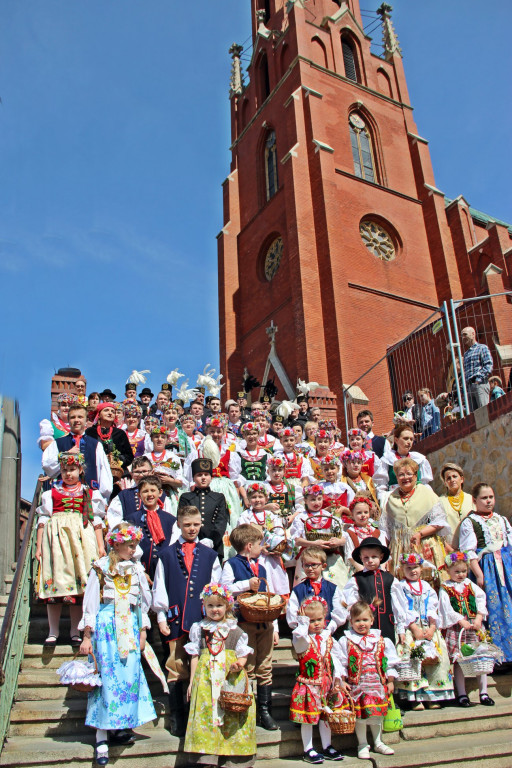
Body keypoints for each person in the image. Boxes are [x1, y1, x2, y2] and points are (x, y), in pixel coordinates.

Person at [79, 523, 156, 766]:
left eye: (135, 544)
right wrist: (87, 636)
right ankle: (101, 735)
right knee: (107, 680)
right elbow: (91, 600)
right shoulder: (101, 567)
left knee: (128, 677)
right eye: (130, 545)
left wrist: (143, 630)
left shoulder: (135, 567)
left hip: (129, 627)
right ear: (117, 544)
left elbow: (142, 602)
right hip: (106, 626)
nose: (134, 549)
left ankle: (122, 726)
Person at [152, 505, 222, 736]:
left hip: (202, 619)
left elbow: (217, 588)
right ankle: (177, 718)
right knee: (175, 666)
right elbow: (160, 587)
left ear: (201, 524)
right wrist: (161, 616)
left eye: (195, 524)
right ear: (179, 525)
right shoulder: (166, 554)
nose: (191, 529)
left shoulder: (211, 555)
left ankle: (198, 715)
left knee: (202, 666)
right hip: (175, 618)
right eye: (187, 525)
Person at [36, 451, 105, 647]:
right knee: (55, 583)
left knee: (79, 585)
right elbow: (43, 519)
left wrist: (100, 546)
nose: (68, 474)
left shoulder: (89, 493)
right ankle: (53, 632)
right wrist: (39, 546)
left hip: (82, 540)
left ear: (80, 470)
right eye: (65, 470)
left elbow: (96, 520)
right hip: (56, 541)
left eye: (72, 470)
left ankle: (76, 631)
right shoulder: (51, 494)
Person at [183, 582, 256, 767]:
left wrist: (239, 664)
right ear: (204, 606)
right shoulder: (199, 629)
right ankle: (206, 758)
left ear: (227, 606)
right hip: (205, 681)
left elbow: (243, 654)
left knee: (230, 715)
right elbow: (194, 657)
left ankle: (232, 757)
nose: (215, 610)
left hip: (228, 680)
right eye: (210, 605)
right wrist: (192, 682)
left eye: (219, 605)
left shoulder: (235, 630)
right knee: (206, 715)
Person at [221, 524, 278, 731]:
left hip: (264, 621)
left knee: (265, 667)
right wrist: (246, 585)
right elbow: (224, 589)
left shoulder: (261, 567)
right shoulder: (231, 564)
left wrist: (276, 625)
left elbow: (269, 595)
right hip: (243, 623)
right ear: (249, 545)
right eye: (259, 544)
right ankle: (249, 709)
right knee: (249, 667)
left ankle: (265, 711)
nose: (261, 548)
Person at [459, 483, 512, 662]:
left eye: (491, 497)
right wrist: (479, 574)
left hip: (506, 567)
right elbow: (468, 552)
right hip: (487, 569)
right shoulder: (470, 522)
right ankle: (498, 658)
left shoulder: (501, 519)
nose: (488, 501)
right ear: (474, 500)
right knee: (492, 609)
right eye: (484, 498)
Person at [290, 597, 345, 764]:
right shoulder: (303, 639)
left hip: (325, 685)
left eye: (319, 620)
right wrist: (302, 622)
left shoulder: (328, 638)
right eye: (312, 620)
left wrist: (338, 678)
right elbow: (299, 638)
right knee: (308, 718)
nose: (316, 624)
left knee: (325, 716)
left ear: (325, 618)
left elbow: (337, 658)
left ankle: (327, 746)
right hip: (308, 685)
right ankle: (308, 748)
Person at [395, 553, 453, 709]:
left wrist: (433, 627)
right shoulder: (401, 587)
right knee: (413, 660)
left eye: (415, 568)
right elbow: (401, 609)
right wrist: (414, 628)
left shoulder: (427, 587)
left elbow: (433, 608)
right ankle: (415, 697)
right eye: (409, 568)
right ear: (402, 570)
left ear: (421, 568)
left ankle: (431, 696)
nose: (413, 571)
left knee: (434, 659)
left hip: (428, 627)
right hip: (411, 628)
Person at [381, 458, 450, 577]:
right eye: (401, 475)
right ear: (397, 478)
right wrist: (386, 556)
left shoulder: (426, 493)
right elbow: (386, 530)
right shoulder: (391, 498)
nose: (405, 477)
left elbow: (439, 521)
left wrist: (420, 534)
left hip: (425, 546)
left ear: (415, 475)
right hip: (400, 550)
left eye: (409, 474)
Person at [439, 551, 492, 707]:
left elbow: (481, 599)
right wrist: (460, 620)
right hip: (458, 628)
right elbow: (446, 608)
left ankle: (484, 692)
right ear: (448, 570)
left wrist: (479, 618)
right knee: (459, 660)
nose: (461, 575)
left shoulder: (470, 584)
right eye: (457, 572)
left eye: (463, 571)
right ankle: (462, 694)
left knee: (481, 658)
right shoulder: (445, 588)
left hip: (474, 626)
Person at [342, 537, 410, 644]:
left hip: (387, 625)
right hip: (365, 628)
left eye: (374, 557)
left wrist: (401, 629)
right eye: (366, 558)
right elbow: (351, 604)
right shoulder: (356, 579)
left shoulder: (390, 579)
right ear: (360, 558)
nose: (370, 561)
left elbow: (398, 605)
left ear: (381, 557)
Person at [109, 475, 175, 581]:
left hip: (165, 571)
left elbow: (173, 547)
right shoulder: (130, 520)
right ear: (139, 495)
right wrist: (139, 570)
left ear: (160, 493)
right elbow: (128, 548)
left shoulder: (171, 520)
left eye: (153, 490)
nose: (149, 494)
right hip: (139, 571)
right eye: (145, 491)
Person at [42, 403, 113, 502]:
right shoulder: (57, 443)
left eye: (80, 417)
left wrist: (104, 499)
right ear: (68, 420)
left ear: (86, 420)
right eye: (73, 417)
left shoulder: (96, 445)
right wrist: (65, 455)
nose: (76, 420)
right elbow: (47, 466)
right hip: (63, 496)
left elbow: (104, 472)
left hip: (89, 496)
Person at [237, 482, 289, 600]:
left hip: (271, 556)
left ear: (266, 499)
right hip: (254, 557)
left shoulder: (271, 515)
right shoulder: (246, 516)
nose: (257, 500)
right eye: (254, 497)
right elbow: (243, 537)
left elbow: (279, 533)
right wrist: (259, 549)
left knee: (275, 582)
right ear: (249, 500)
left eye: (260, 497)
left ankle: (276, 609)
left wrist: (273, 548)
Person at [291, 484, 348, 590]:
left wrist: (337, 542)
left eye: (319, 499)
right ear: (305, 500)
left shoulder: (329, 516)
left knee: (336, 582)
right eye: (312, 500)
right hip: (309, 556)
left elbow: (343, 537)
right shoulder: (301, 517)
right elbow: (297, 540)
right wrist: (314, 544)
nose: (316, 503)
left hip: (329, 554)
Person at [286, 547, 347, 634]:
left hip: (329, 633)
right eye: (307, 565)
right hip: (305, 634)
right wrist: (302, 629)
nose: (310, 568)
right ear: (302, 566)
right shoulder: (298, 590)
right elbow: (292, 614)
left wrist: (328, 630)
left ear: (323, 566)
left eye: (314, 565)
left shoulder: (333, 589)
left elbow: (339, 613)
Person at [178, 458, 229, 559]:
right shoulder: (186, 497)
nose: (203, 478)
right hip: (190, 546)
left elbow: (221, 522)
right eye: (199, 475)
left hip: (214, 547)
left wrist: (212, 540)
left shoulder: (218, 497)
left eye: (206, 475)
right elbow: (181, 520)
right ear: (193, 478)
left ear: (211, 477)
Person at [373, 424, 433, 504]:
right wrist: (383, 501)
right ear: (396, 440)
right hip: (395, 499)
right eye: (405, 438)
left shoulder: (419, 459)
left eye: (411, 439)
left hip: (416, 498)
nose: (409, 442)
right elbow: (382, 485)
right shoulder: (387, 459)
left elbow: (424, 483)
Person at [344, 496, 387, 574]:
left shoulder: (378, 532)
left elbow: (384, 554)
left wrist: (381, 570)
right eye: (359, 513)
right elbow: (350, 556)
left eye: (366, 512)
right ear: (352, 515)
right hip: (359, 571)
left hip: (377, 570)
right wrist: (364, 572)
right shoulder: (350, 533)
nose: (363, 515)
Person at [85, 403, 133, 471]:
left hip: (117, 473)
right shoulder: (90, 432)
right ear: (99, 415)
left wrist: (115, 460)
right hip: (94, 471)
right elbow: (84, 452)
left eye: (112, 411)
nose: (110, 413)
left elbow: (129, 456)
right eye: (106, 410)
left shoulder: (120, 433)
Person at [438, 463, 474, 549]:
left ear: (461, 479)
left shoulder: (472, 499)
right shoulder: (439, 502)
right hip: (451, 550)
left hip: (472, 548)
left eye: (455, 476)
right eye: (448, 478)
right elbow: (438, 529)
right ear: (445, 483)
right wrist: (450, 550)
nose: (452, 480)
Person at [461, 326, 493, 412]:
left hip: (480, 384)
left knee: (484, 412)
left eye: (465, 335)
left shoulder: (482, 348)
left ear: (473, 334)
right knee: (474, 416)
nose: (463, 338)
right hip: (469, 387)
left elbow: (488, 365)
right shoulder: (466, 354)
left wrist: (478, 380)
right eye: (462, 336)